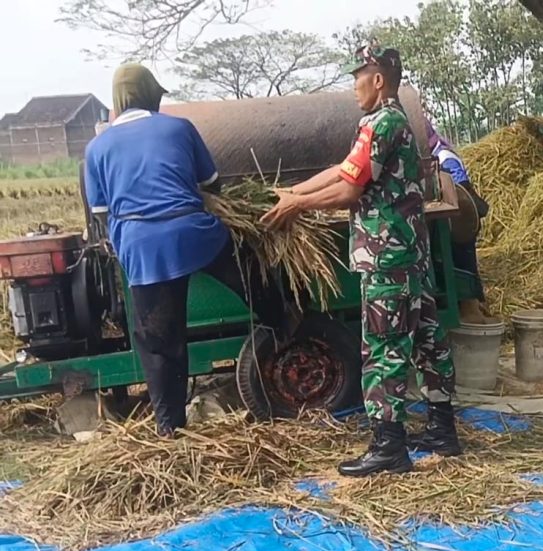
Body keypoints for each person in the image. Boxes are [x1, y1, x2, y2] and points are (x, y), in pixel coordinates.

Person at [262, 44, 461, 475]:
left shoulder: (381, 121)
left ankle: (389, 446)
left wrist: (298, 208)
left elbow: (349, 191)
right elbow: (343, 170)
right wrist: (295, 192)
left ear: (378, 78)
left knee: (385, 347)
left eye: (358, 77)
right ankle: (443, 431)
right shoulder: (389, 121)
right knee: (427, 338)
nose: (353, 86)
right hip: (410, 255)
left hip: (387, 258)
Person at [83, 64, 290, 437]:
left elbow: (101, 212)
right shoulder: (178, 127)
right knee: (250, 267)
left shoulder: (97, 148)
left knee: (160, 344)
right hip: (194, 233)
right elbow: (212, 183)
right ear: (149, 95)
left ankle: (170, 430)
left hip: (143, 250)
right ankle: (283, 320)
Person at [425, 118, 494, 325]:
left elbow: (461, 192)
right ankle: (472, 305)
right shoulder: (433, 155)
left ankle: (472, 311)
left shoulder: (445, 157)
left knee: (463, 265)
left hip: (461, 223)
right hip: (452, 223)